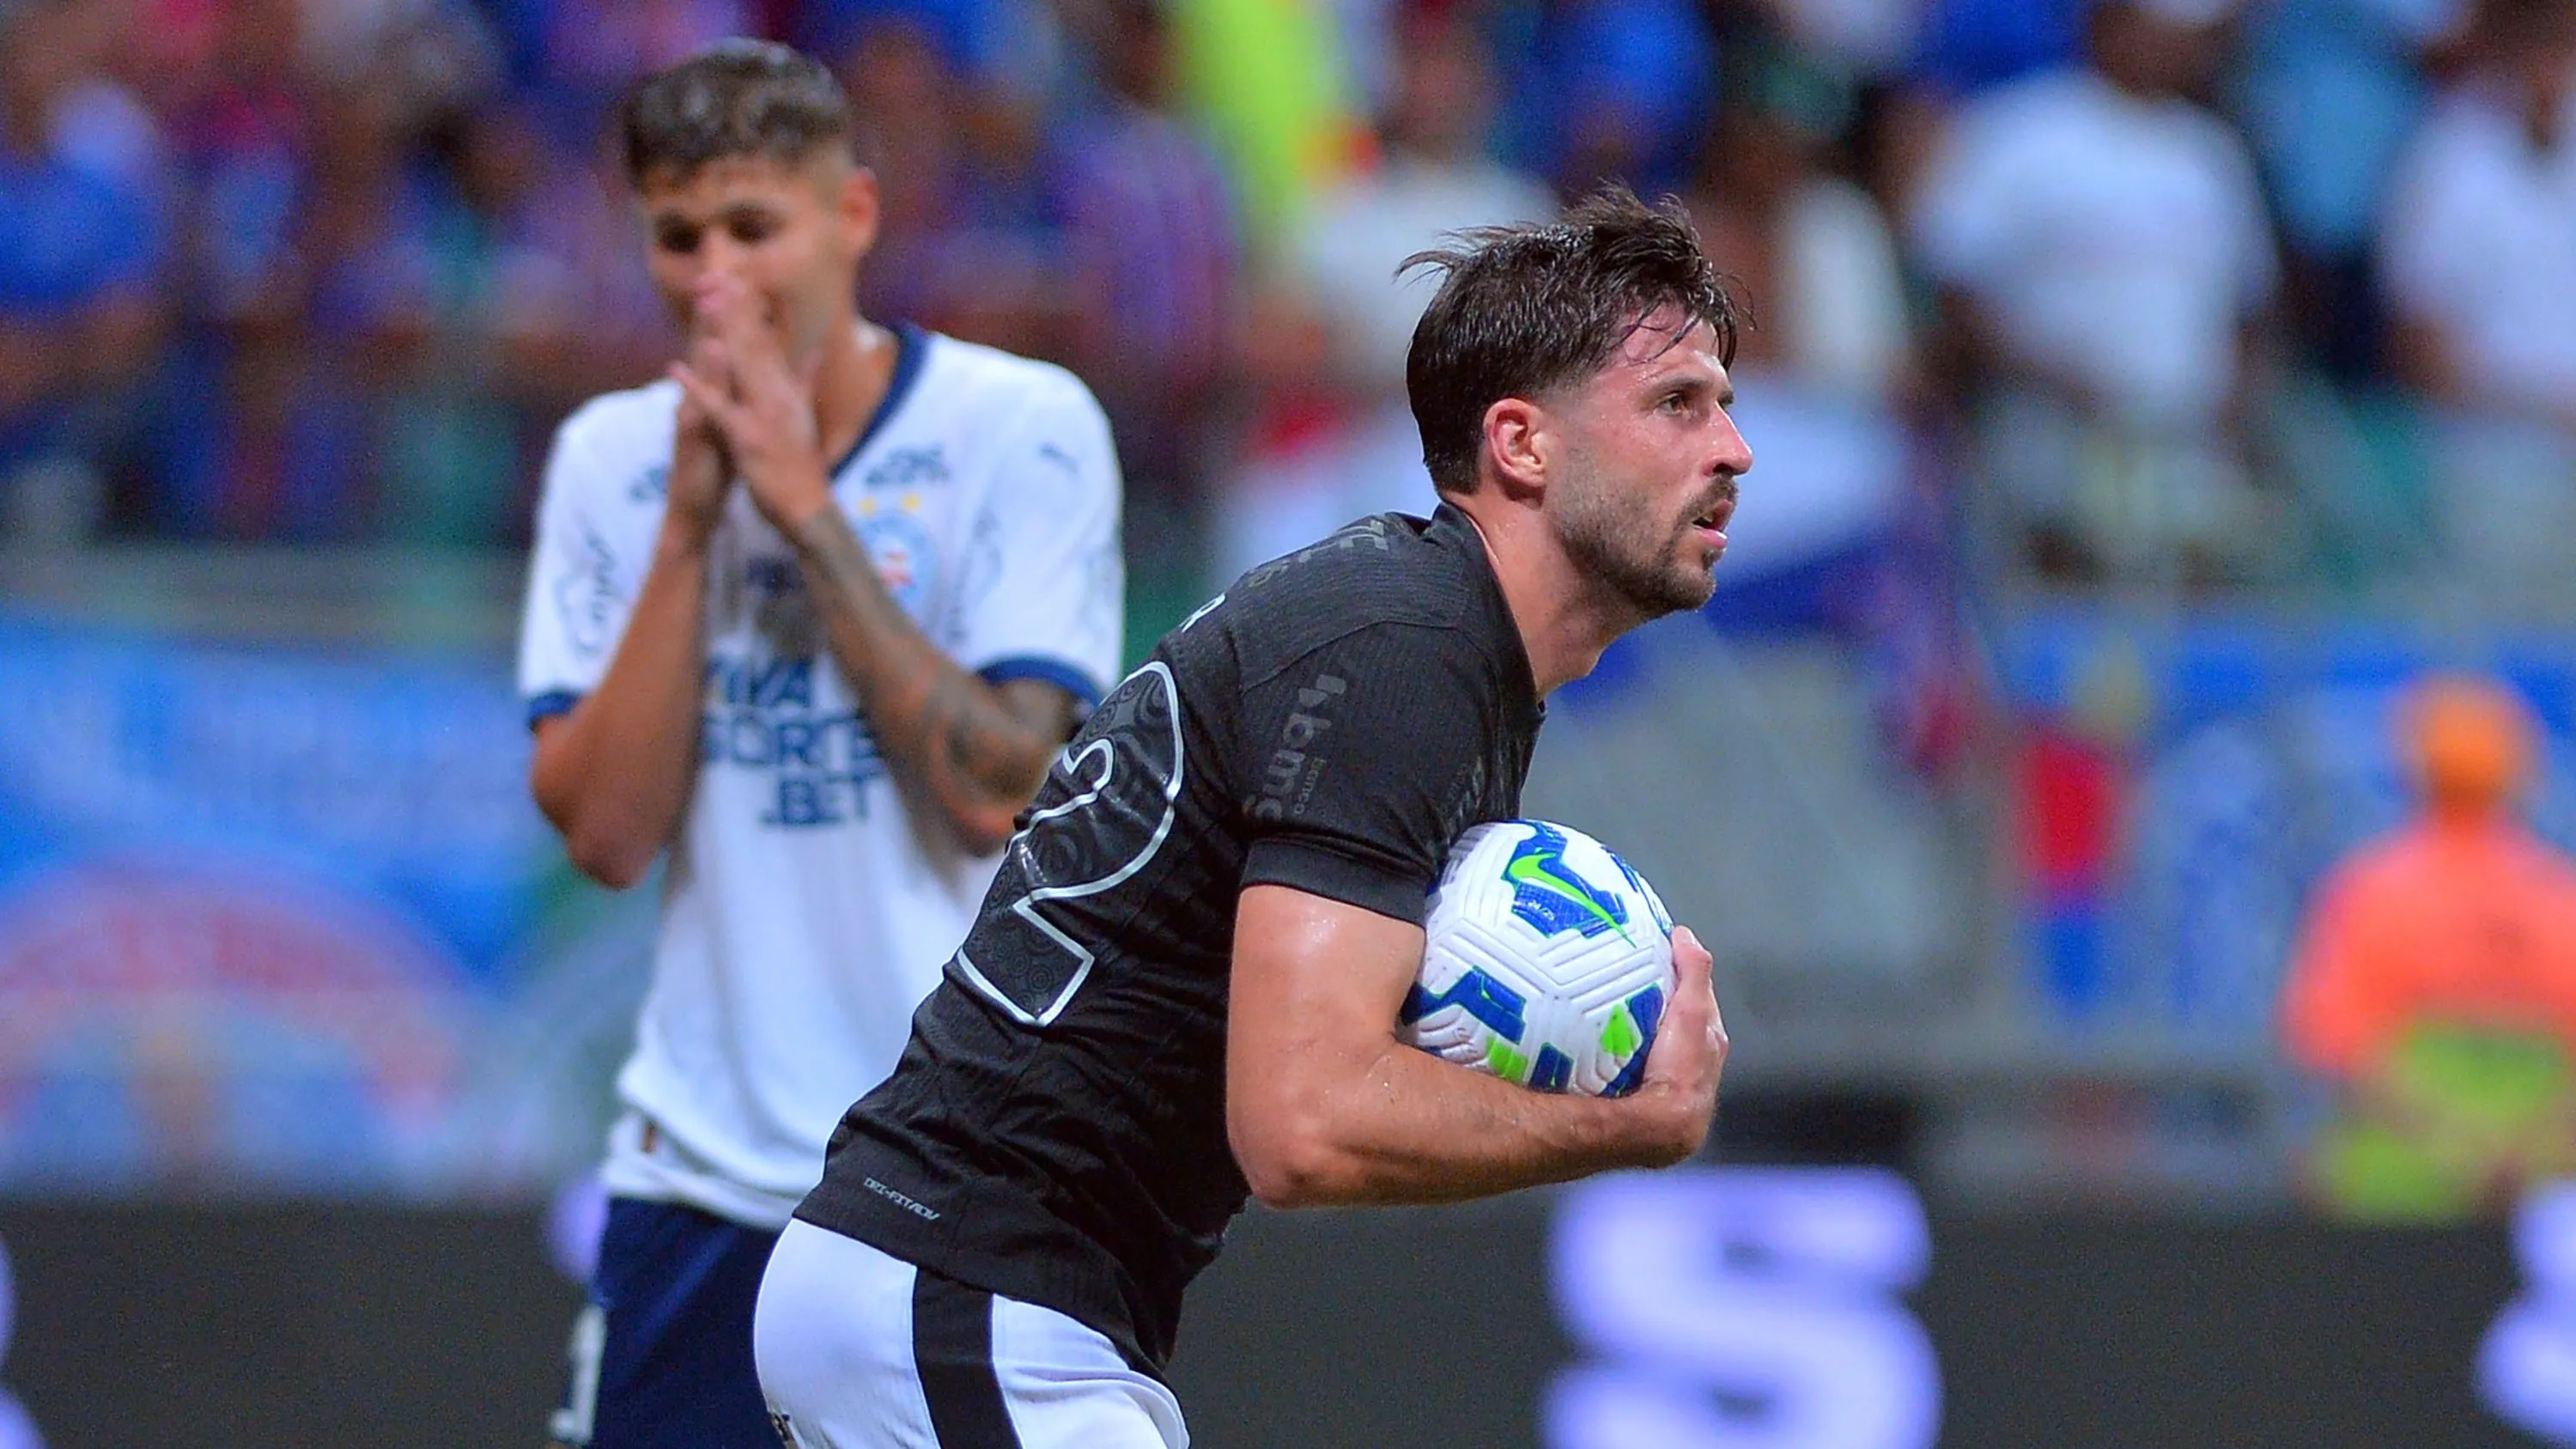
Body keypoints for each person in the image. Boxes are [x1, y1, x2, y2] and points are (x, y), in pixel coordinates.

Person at [755, 187, 1740, 1448]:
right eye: (1679, 403)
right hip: (969, 1293)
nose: (1733, 448)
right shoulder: (1407, 654)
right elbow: (1303, 1123)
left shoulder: (1423, 634)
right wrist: (1631, 1124)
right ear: (1522, 444)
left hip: (965, 1296)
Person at [514, 41, 1125, 1449]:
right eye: (678, 235)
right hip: (702, 1179)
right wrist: (689, 522)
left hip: (959, 1177)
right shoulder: (614, 461)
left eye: (753, 227)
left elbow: (996, 787)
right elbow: (604, 836)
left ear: (850, 218)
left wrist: (803, 508)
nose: (715, 277)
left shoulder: (1019, 429)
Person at [2282, 675, 2576, 1220]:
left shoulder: (2370, 891)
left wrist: (2455, 1146)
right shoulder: (2560, 895)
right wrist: (2523, 1151)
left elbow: (2334, 1044)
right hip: (2545, 1204)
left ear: (2413, 770)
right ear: (2522, 774)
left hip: (2395, 1207)